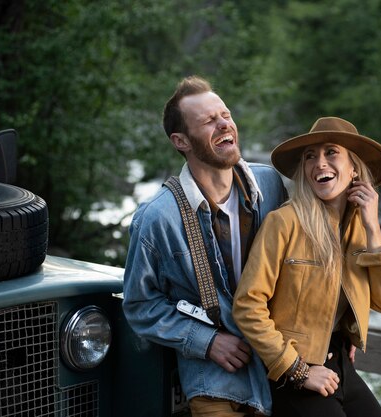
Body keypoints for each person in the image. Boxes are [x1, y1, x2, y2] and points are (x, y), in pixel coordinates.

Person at [123, 75, 288, 417]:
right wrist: (206, 341)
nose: (224, 124)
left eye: (225, 115)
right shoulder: (157, 218)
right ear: (181, 140)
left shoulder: (271, 184)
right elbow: (140, 305)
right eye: (209, 121)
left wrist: (341, 326)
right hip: (215, 381)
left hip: (279, 362)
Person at [232, 116, 381, 417]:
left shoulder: (361, 229)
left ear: (354, 170)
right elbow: (247, 306)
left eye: (331, 152)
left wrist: (374, 228)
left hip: (340, 364)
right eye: (310, 156)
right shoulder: (284, 223)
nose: (319, 163)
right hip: (292, 372)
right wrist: (298, 370)